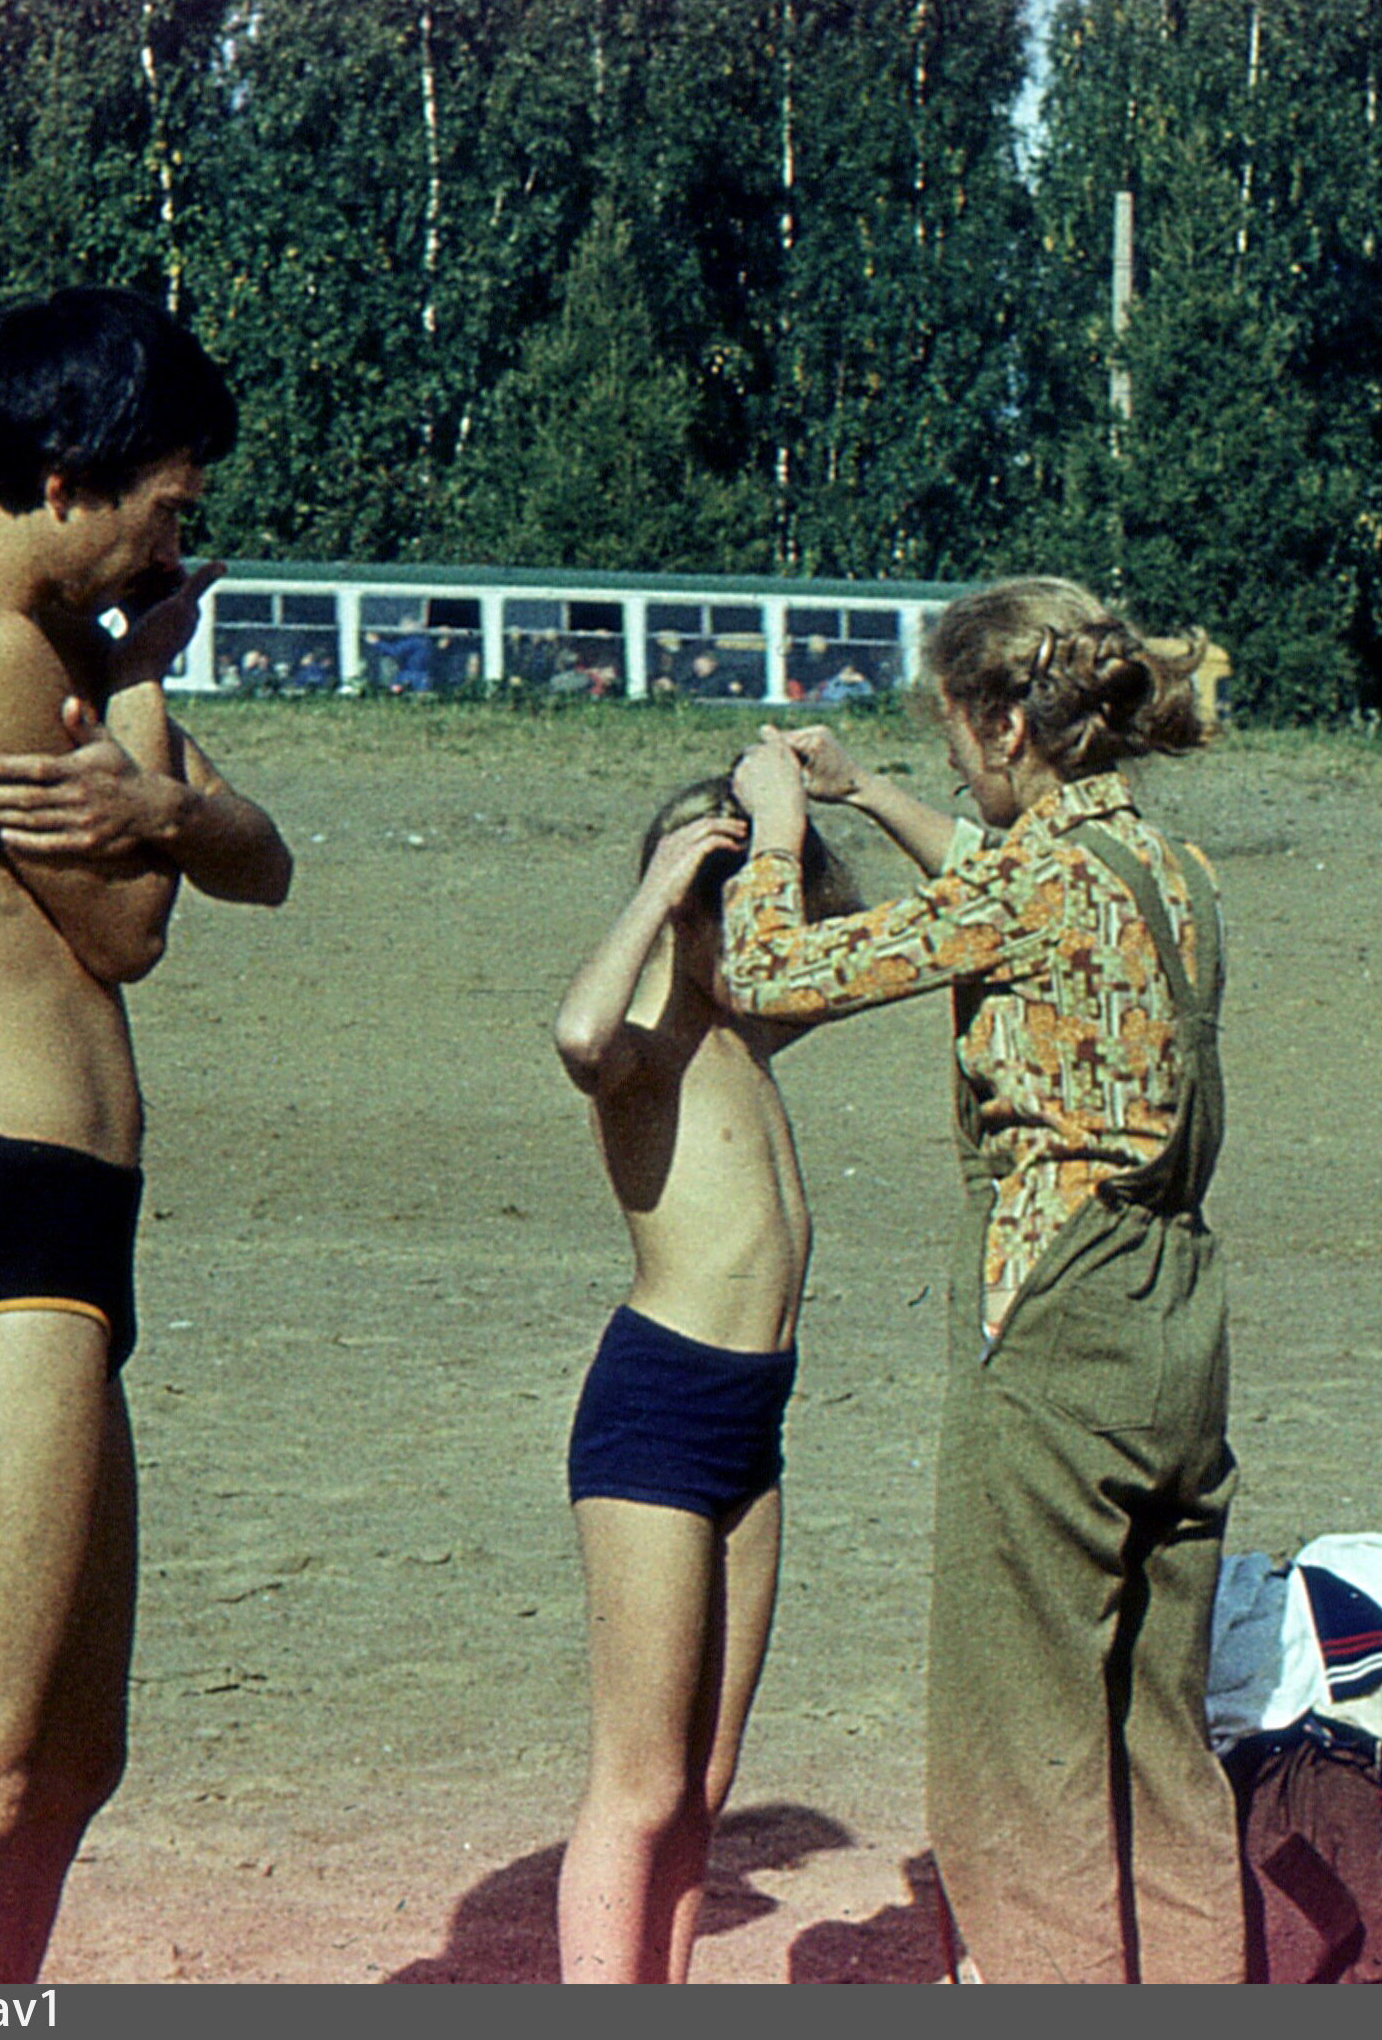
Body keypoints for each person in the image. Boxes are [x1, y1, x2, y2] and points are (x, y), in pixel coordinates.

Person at [0, 286, 295, 1980]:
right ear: (66, 473)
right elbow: (133, 928)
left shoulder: (55, 650)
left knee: (68, 1761)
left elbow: (259, 859)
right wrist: (148, 709)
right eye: (165, 506)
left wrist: (155, 775)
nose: (175, 545)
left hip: (60, 1235)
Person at [718, 575, 1241, 1982]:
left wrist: (780, 828)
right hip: (1179, 1320)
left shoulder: (1033, 884)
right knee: (1159, 1748)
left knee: (1019, 1751)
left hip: (1062, 1315)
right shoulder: (1165, 868)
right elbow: (1005, 888)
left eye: (954, 736)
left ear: (1007, 724)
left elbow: (765, 973)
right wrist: (870, 792)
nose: (953, 763)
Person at [548, 774, 857, 1982]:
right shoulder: (644, 1041)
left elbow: (884, 943)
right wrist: (663, 883)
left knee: (706, 1781)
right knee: (639, 1779)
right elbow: (577, 1036)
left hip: (752, 1420)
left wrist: (815, 807)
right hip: (660, 1411)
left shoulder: (751, 1023)